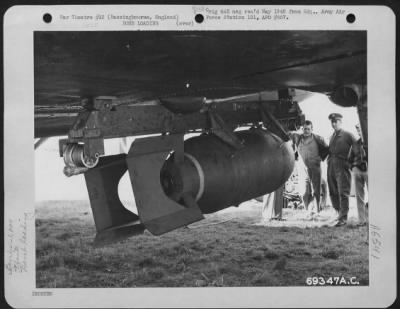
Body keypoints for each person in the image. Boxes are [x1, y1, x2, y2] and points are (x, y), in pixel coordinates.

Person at [290, 120, 329, 216]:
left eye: (308, 129)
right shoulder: (298, 137)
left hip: (315, 167)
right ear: (302, 129)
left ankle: (317, 210)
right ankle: (307, 210)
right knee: (304, 192)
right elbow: (289, 134)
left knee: (316, 191)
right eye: (304, 129)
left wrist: (320, 158)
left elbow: (327, 149)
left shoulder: (318, 139)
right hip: (302, 169)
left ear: (312, 129)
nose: (306, 131)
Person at [327, 113, 357, 227]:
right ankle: (338, 214)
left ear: (340, 122)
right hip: (331, 165)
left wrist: (351, 162)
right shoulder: (332, 136)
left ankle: (343, 218)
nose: (334, 124)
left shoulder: (347, 135)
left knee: (343, 192)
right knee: (333, 191)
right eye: (332, 122)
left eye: (336, 121)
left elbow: (357, 148)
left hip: (342, 165)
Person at [348, 123, 368, 226]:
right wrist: (354, 168)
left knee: (374, 195)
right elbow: (349, 159)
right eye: (358, 130)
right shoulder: (355, 144)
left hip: (369, 170)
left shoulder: (371, 142)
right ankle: (362, 220)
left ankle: (374, 219)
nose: (360, 131)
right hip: (357, 170)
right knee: (359, 196)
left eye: (361, 129)